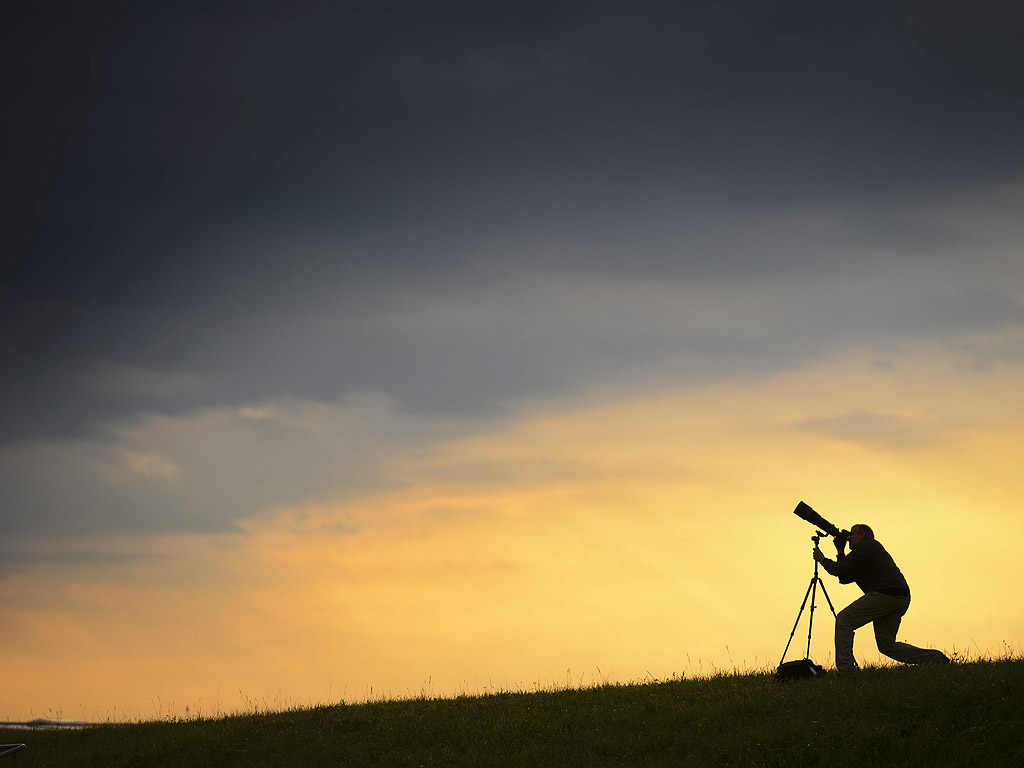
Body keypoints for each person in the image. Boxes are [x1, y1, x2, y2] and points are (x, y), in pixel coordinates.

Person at [813, 524, 949, 671]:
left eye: (852, 535)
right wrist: (840, 551)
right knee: (886, 645)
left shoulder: (867, 547)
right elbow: (844, 577)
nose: (849, 538)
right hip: (899, 597)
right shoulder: (867, 551)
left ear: (863, 535)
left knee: (844, 620)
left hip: (885, 594)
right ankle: (935, 659)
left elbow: (839, 569)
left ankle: (846, 670)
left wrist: (822, 559)